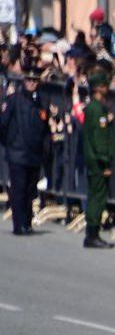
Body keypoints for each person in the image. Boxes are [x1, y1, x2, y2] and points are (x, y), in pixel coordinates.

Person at [1, 68, 49, 235]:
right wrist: (10, 144)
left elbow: (45, 129)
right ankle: (19, 224)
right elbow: (3, 124)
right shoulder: (14, 100)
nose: (32, 83)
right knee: (19, 189)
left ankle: (27, 222)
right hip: (18, 152)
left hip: (34, 153)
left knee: (30, 191)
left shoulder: (41, 103)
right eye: (29, 80)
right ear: (24, 81)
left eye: (35, 80)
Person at [80, 72, 115, 248]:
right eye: (104, 85)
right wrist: (104, 161)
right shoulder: (96, 109)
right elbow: (99, 139)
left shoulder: (96, 108)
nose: (106, 88)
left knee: (96, 195)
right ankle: (92, 234)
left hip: (94, 159)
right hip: (98, 161)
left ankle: (92, 233)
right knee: (97, 197)